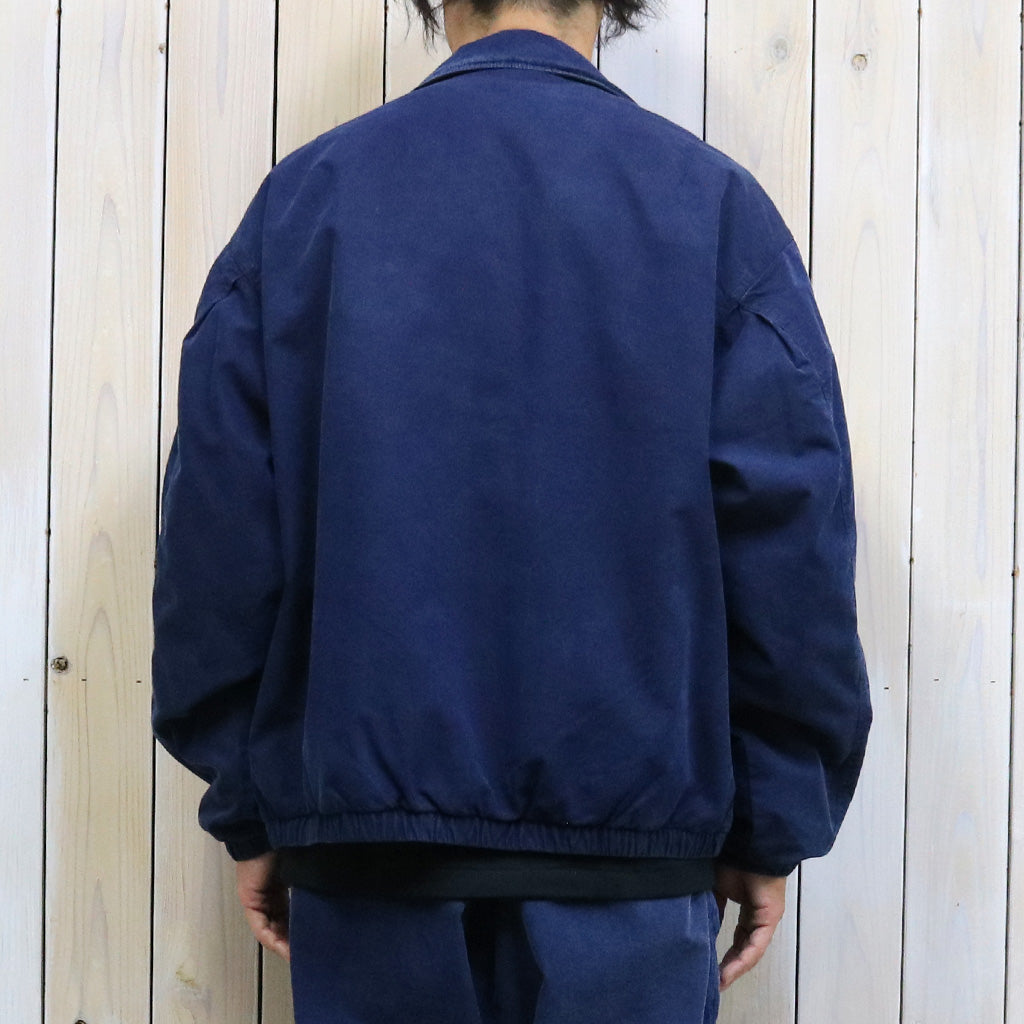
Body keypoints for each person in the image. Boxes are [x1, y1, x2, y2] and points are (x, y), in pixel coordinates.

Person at [151, 0, 872, 1019]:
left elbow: (217, 542)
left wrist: (252, 803)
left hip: (370, 871)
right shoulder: (710, 206)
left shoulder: (307, 202)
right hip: (627, 880)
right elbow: (790, 544)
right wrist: (772, 819)